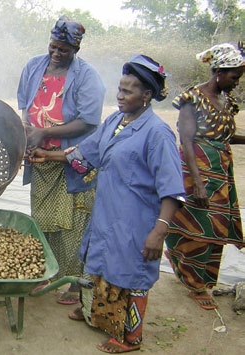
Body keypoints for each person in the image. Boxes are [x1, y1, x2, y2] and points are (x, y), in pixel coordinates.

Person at [28, 54, 185, 353]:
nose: (120, 95)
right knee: (99, 263)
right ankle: (94, 315)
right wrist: (48, 155)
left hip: (136, 219)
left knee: (130, 272)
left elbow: (172, 190)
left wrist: (159, 231)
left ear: (147, 95)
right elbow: (86, 152)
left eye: (128, 91)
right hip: (107, 211)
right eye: (120, 88)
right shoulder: (116, 120)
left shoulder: (157, 134)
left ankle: (130, 337)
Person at [17, 15, 105, 305]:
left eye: (63, 50)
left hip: (70, 161)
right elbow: (24, 105)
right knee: (42, 220)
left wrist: (45, 131)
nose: (56, 53)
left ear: (75, 51)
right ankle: (46, 272)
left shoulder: (87, 77)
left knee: (73, 223)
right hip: (42, 160)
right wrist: (28, 135)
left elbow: (89, 122)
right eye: (53, 47)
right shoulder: (33, 66)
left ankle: (74, 283)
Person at [165, 43, 245, 311]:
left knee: (218, 228)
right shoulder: (193, 98)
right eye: (234, 77)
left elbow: (223, 134)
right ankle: (195, 282)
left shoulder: (228, 101)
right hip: (194, 169)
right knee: (196, 225)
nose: (237, 82)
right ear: (219, 72)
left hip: (220, 170)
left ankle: (202, 276)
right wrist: (198, 183)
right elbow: (186, 140)